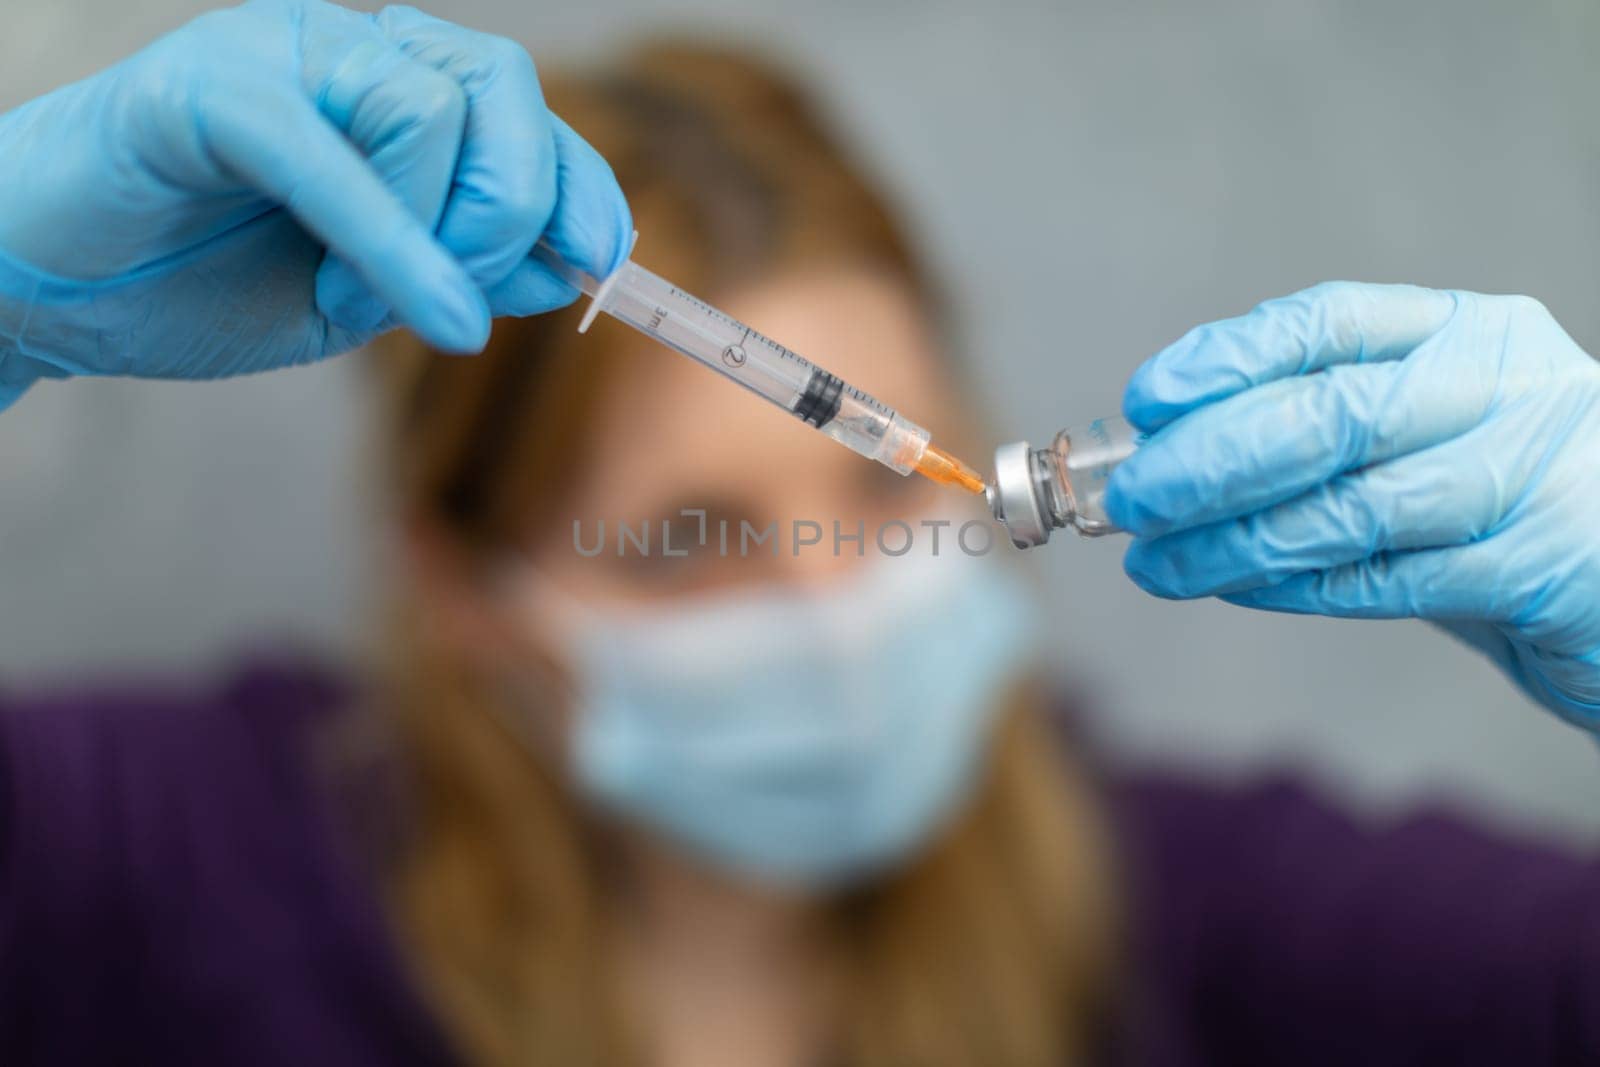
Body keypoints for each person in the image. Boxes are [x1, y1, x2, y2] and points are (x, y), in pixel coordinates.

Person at [1, 4, 1598, 1067]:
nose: (839, 604)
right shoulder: (157, 870)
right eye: (691, 536)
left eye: (887, 489)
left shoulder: (1197, 916)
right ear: (463, 588)